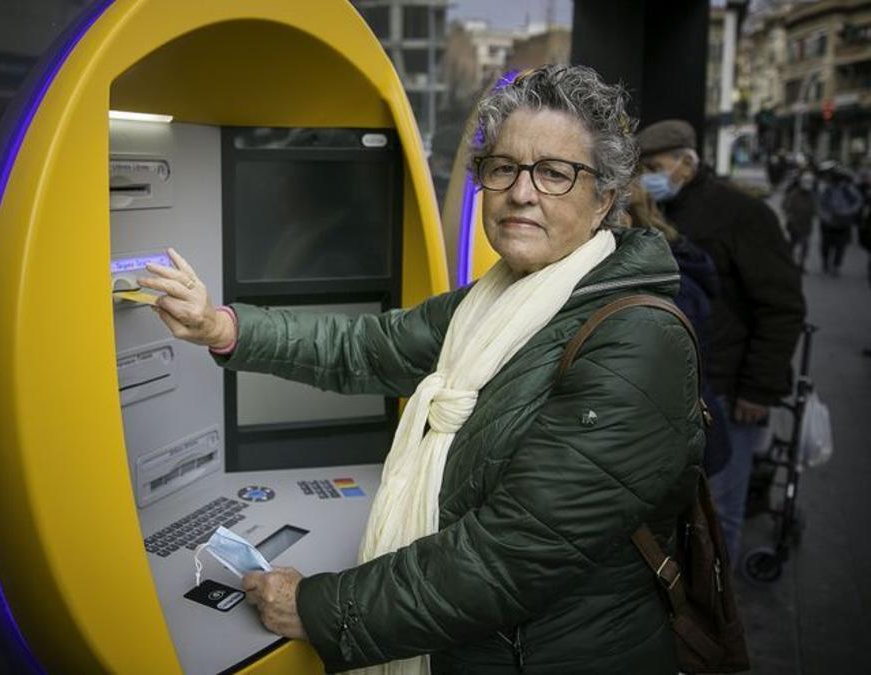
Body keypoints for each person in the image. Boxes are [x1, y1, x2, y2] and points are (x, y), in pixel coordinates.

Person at [141, 66, 704, 673]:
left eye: (554, 173)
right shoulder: (491, 303)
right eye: (503, 168)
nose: (521, 192)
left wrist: (321, 608)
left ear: (603, 201)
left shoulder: (638, 340)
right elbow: (367, 347)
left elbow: (509, 555)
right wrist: (223, 327)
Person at [636, 119, 805, 561]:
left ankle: (722, 618)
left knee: (721, 513)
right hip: (687, 388)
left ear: (686, 163)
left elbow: (781, 306)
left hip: (730, 389)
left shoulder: (744, 214)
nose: (648, 174)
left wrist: (758, 389)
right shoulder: (658, 208)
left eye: (655, 164)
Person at [621, 181, 732, 477]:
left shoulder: (664, 287)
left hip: (682, 454)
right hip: (692, 439)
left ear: (623, 219)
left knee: (711, 520)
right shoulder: (671, 256)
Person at [816, 161, 864, 276]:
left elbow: (858, 201)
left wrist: (848, 212)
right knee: (826, 245)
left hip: (843, 221)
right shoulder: (826, 189)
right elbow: (820, 204)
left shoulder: (847, 188)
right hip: (828, 221)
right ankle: (825, 263)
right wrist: (825, 216)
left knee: (840, 246)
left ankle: (836, 265)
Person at [783, 171, 818, 270]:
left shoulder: (812, 195)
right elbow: (786, 207)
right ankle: (788, 261)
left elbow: (815, 209)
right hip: (794, 224)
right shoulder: (793, 194)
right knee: (793, 243)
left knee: (805, 245)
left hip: (806, 224)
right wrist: (791, 218)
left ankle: (801, 263)